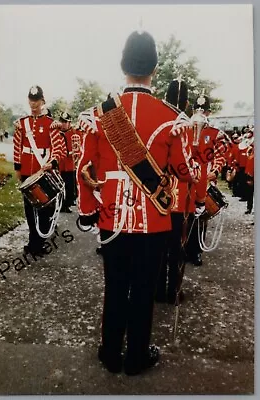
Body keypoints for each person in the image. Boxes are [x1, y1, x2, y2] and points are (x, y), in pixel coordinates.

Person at [76, 31, 200, 375]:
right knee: (144, 290)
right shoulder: (171, 118)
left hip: (111, 218)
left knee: (115, 286)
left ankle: (111, 352)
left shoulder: (98, 115)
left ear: (122, 65)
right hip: (153, 221)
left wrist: (88, 211)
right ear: (155, 69)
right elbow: (185, 171)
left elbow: (83, 168)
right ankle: (136, 358)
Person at [156, 78, 207, 303]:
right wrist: (200, 198)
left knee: (157, 250)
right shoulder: (184, 125)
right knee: (177, 249)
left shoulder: (157, 121)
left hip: (156, 197)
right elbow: (190, 167)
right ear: (186, 101)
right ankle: (173, 292)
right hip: (180, 199)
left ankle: (156, 291)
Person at [13, 85, 64, 255]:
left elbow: (58, 149)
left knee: (44, 208)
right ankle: (33, 240)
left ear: (43, 101)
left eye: (37, 101)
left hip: (43, 173)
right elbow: (17, 147)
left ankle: (39, 242)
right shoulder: (22, 123)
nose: (34, 104)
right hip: (28, 172)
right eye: (31, 100)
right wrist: (18, 168)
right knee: (29, 208)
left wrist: (53, 162)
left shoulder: (51, 124)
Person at [186, 94, 231, 266]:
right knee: (184, 215)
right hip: (187, 178)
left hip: (204, 178)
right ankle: (181, 247)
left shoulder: (215, 133)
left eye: (203, 110)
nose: (199, 113)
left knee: (200, 216)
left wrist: (215, 170)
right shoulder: (185, 129)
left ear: (209, 112)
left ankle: (196, 251)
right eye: (197, 110)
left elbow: (222, 155)